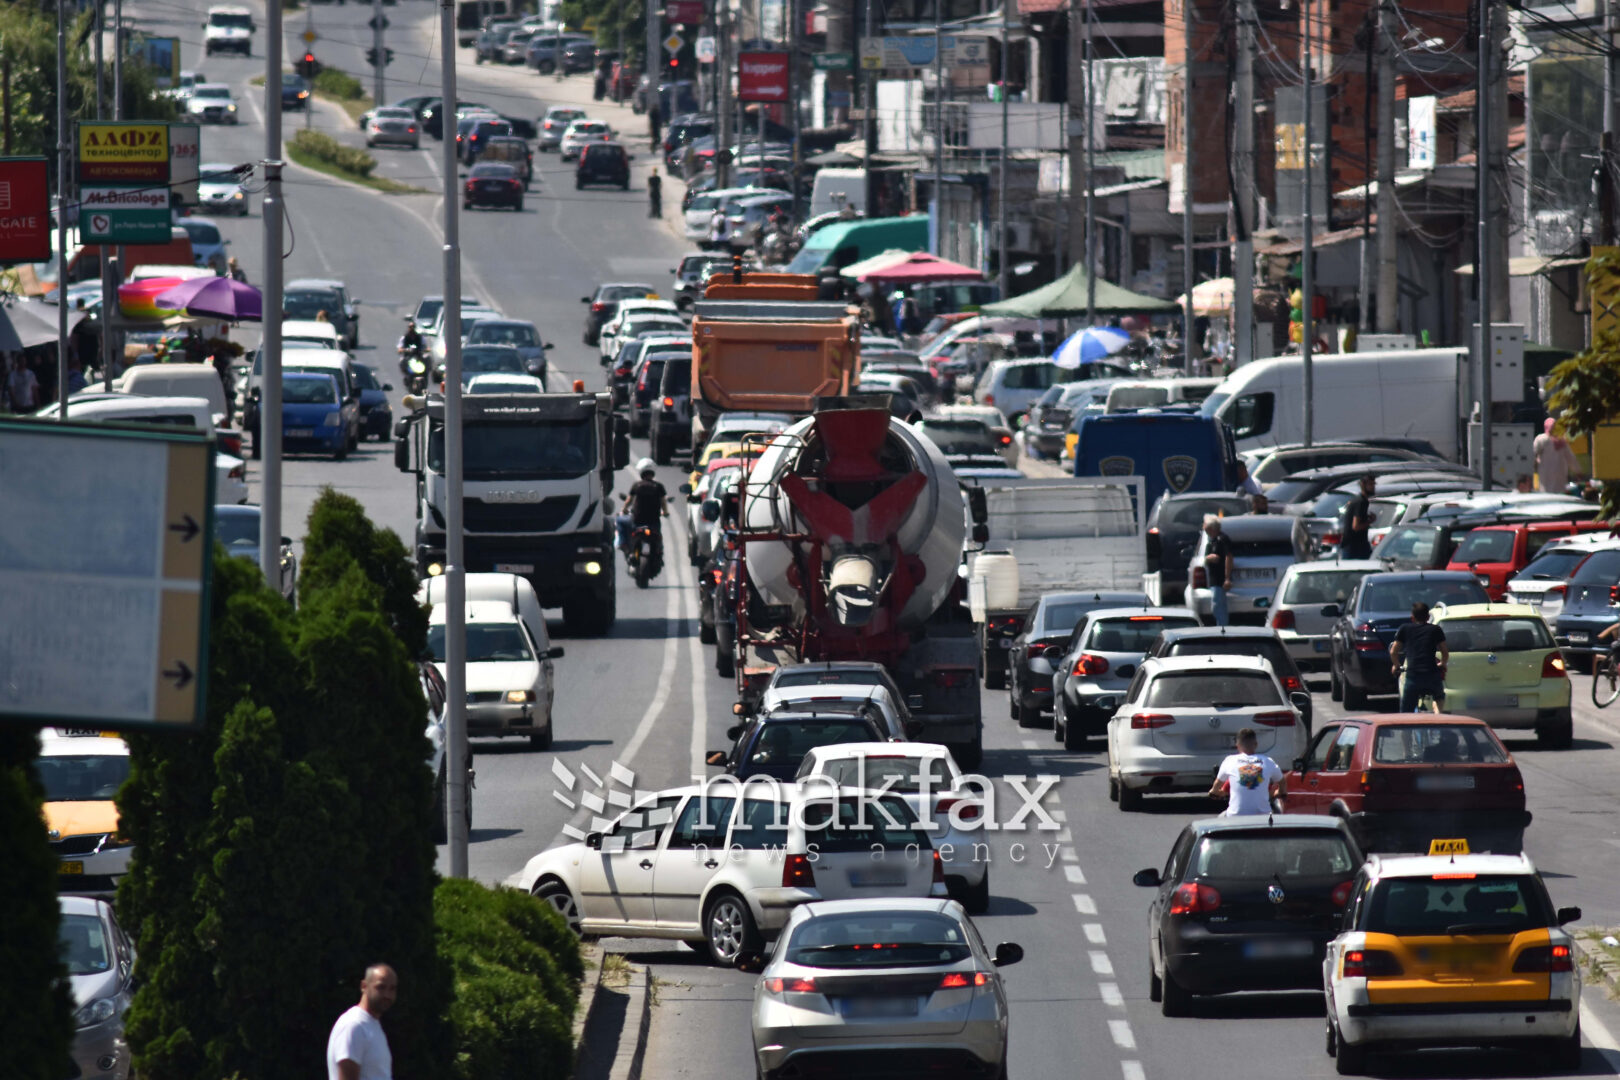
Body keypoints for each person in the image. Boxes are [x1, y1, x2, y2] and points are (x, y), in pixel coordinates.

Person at [326, 963, 397, 1080]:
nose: (387, 995)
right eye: (381, 987)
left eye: (392, 989)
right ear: (364, 986)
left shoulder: (371, 1024)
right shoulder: (354, 1025)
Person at [1208, 727, 1286, 816]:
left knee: (1220, 819)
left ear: (1237, 745)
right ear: (1256, 744)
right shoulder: (1268, 761)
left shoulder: (1229, 761)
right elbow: (1282, 781)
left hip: (1235, 816)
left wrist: (1215, 792)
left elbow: (1216, 787)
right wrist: (1280, 792)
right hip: (1263, 817)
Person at [1390, 601, 1448, 713]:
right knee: (1439, 696)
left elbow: (1393, 651)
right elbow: (1445, 652)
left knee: (1406, 711)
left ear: (1412, 618)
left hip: (1413, 677)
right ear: (1428, 617)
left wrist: (1396, 665)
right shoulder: (1435, 630)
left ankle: (1406, 728)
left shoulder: (1404, 629)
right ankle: (1438, 715)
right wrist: (1442, 663)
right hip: (1432, 675)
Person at [617, 458, 668, 552]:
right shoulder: (658, 486)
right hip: (654, 521)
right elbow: (663, 502)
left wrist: (623, 509)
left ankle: (624, 544)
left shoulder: (637, 485)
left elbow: (629, 500)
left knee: (620, 520)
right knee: (658, 537)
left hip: (637, 520)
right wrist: (665, 512)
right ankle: (659, 551)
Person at [1202, 514, 1234, 626]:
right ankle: (1221, 626)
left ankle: (1222, 628)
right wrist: (1209, 558)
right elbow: (1205, 558)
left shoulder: (1222, 539)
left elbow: (1228, 557)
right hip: (1213, 580)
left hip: (1220, 580)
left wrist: (1227, 578)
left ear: (1210, 527)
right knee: (1217, 605)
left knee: (1218, 606)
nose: (1203, 527)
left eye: (1205, 524)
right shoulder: (1211, 541)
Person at [1534, 418, 1580, 494]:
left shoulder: (1541, 439)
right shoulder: (1561, 441)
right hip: (1560, 473)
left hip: (1545, 472)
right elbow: (1570, 458)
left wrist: (1533, 466)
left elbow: (1534, 453)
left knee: (1545, 493)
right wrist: (1578, 471)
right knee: (1559, 493)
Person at [1339, 474, 1376, 559]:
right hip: (1354, 548)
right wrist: (1370, 521)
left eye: (1374, 484)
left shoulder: (1359, 500)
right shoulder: (1361, 502)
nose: (1373, 487)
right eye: (1370, 484)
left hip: (1356, 547)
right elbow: (1356, 526)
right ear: (1363, 485)